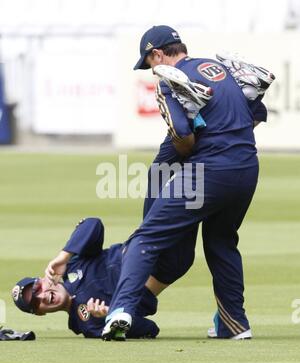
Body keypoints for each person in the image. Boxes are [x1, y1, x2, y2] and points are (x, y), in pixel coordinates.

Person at [102, 25, 272, 341]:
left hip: (209, 171)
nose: (152, 71)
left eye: (149, 64)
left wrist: (193, 125)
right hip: (247, 167)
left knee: (145, 237)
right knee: (221, 242)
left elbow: (182, 136)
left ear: (157, 54)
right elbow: (256, 115)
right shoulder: (218, 68)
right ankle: (234, 325)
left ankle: (120, 311)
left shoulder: (169, 80)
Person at [12, 217, 197, 340]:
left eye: (36, 289)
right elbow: (150, 329)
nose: (42, 296)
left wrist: (64, 256)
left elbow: (93, 224)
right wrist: (112, 315)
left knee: (164, 180)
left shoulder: (73, 265)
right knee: (198, 204)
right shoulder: (89, 324)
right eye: (35, 303)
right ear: (40, 313)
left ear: (43, 279)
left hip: (145, 238)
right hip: (166, 263)